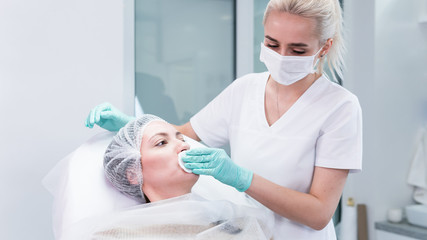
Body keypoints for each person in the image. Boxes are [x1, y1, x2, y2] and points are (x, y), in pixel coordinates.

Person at [85, 0, 362, 238]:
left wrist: (241, 178)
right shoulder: (244, 90)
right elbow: (182, 135)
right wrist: (129, 127)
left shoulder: (339, 107)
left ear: (324, 47)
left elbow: (319, 213)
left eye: (297, 50)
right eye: (272, 43)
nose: (281, 56)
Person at [68, 114, 273, 240]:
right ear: (132, 172)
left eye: (181, 138)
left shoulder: (241, 225)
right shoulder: (113, 236)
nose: (183, 145)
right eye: (161, 143)